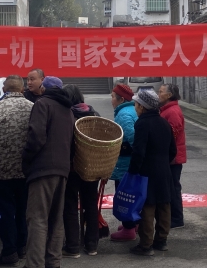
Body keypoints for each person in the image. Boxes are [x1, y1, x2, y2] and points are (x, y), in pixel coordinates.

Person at [22, 76, 74, 268]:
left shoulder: (42, 104)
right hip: (62, 168)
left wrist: (26, 160)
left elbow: (36, 136)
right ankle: (53, 261)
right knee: (56, 218)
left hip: (42, 168)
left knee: (37, 218)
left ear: (44, 88)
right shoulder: (68, 109)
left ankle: (35, 263)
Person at [0, 75, 34, 266]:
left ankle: (9, 251)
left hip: (2, 172)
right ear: (22, 89)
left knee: (6, 212)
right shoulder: (33, 108)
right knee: (23, 210)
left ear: (5, 89)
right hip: (26, 171)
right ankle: (22, 247)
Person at [128, 89, 176, 256]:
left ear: (142, 107)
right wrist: (163, 162)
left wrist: (133, 171)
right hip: (164, 170)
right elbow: (173, 150)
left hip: (147, 172)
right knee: (164, 205)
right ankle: (161, 241)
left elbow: (138, 151)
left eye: (136, 104)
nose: (135, 107)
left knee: (147, 207)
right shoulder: (164, 123)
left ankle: (146, 245)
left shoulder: (142, 124)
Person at [62, 84, 101, 258]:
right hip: (92, 166)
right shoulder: (94, 114)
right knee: (91, 204)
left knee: (70, 205)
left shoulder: (67, 115)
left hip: (72, 168)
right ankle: (92, 245)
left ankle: (72, 246)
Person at [108, 83, 139, 242]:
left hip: (125, 163)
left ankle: (128, 229)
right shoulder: (131, 110)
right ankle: (134, 224)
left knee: (124, 196)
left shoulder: (124, 114)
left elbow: (133, 138)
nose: (111, 100)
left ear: (121, 99)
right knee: (132, 195)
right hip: (129, 162)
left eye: (113, 97)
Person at [158, 83, 187, 229]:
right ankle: (171, 217)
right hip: (170, 156)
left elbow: (172, 135)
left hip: (173, 158)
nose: (158, 94)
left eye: (161, 92)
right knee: (170, 187)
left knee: (173, 188)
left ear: (169, 95)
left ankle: (176, 218)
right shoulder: (166, 110)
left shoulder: (173, 112)